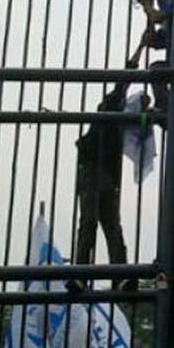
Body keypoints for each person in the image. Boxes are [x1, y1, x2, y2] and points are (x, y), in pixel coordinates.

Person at [71, 38, 150, 291]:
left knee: (112, 227)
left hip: (109, 178)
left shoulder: (126, 130)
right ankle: (80, 274)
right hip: (92, 169)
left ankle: (120, 276)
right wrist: (141, 46)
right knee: (89, 221)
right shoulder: (111, 105)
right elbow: (126, 76)